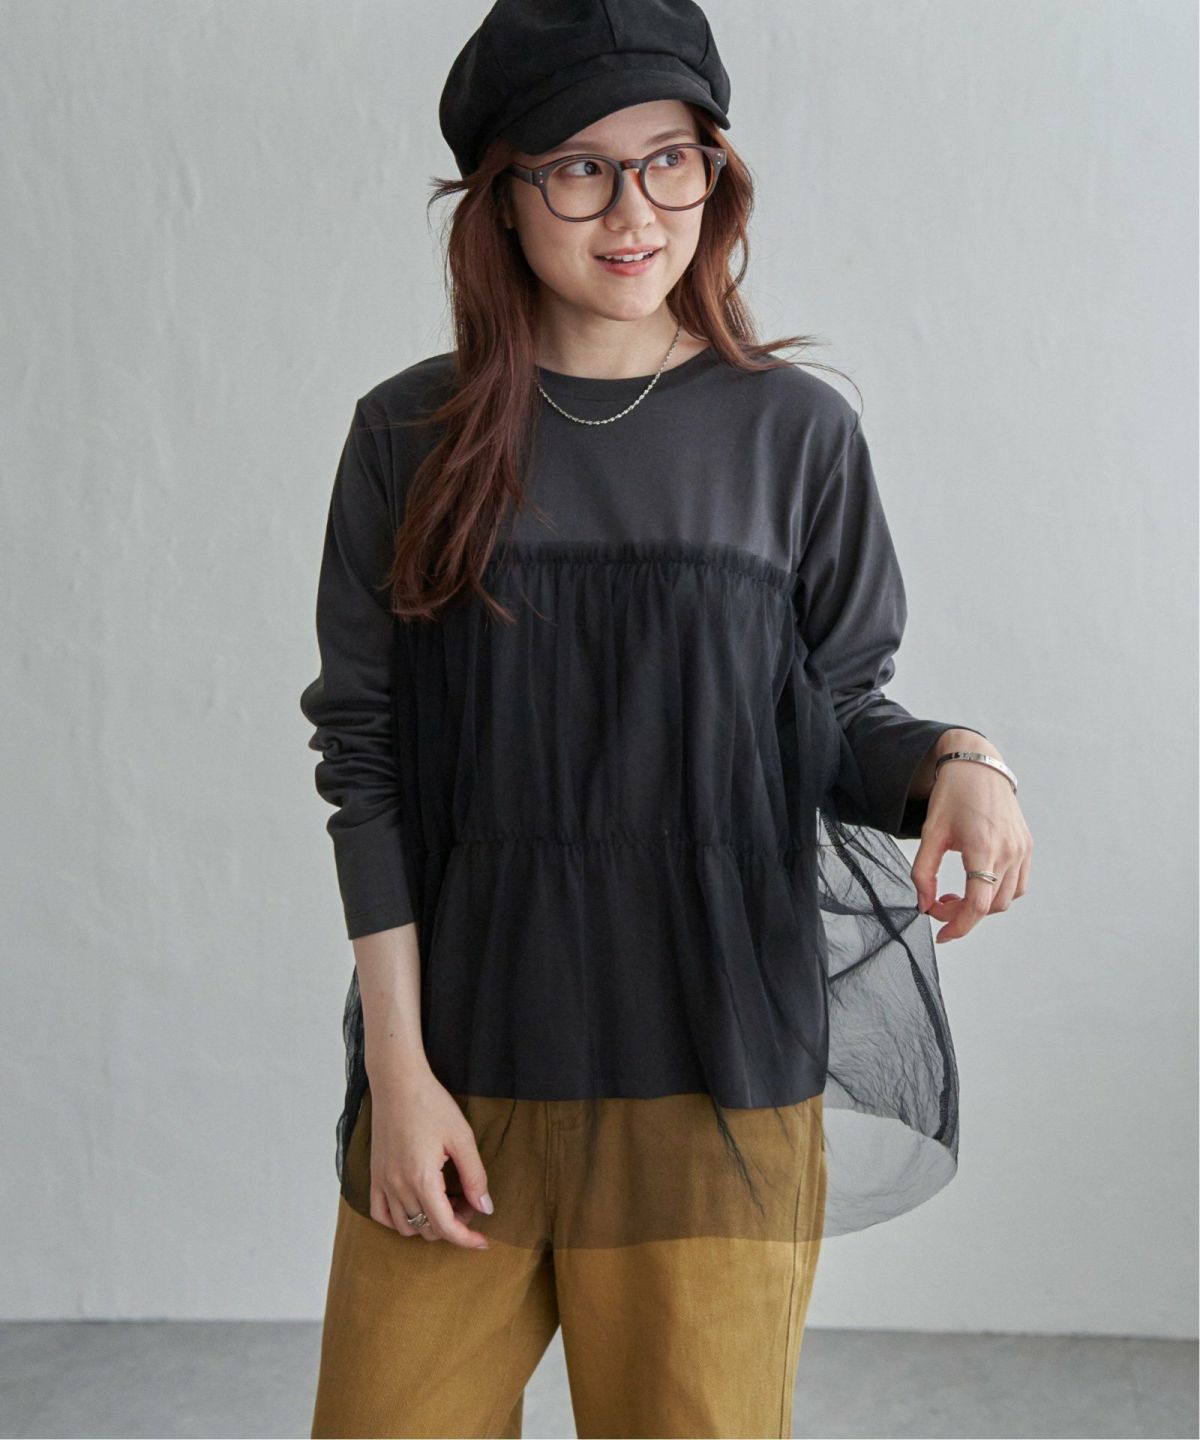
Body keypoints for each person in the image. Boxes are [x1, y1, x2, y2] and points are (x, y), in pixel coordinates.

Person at [299, 2, 1033, 1436]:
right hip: (466, 1066)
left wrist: (962, 761)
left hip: (714, 1078)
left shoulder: (796, 435)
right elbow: (364, 761)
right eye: (581, 167)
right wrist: (398, 1073)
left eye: (671, 160)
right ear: (505, 198)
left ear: (715, 174)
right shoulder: (406, 439)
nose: (635, 212)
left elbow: (835, 717)